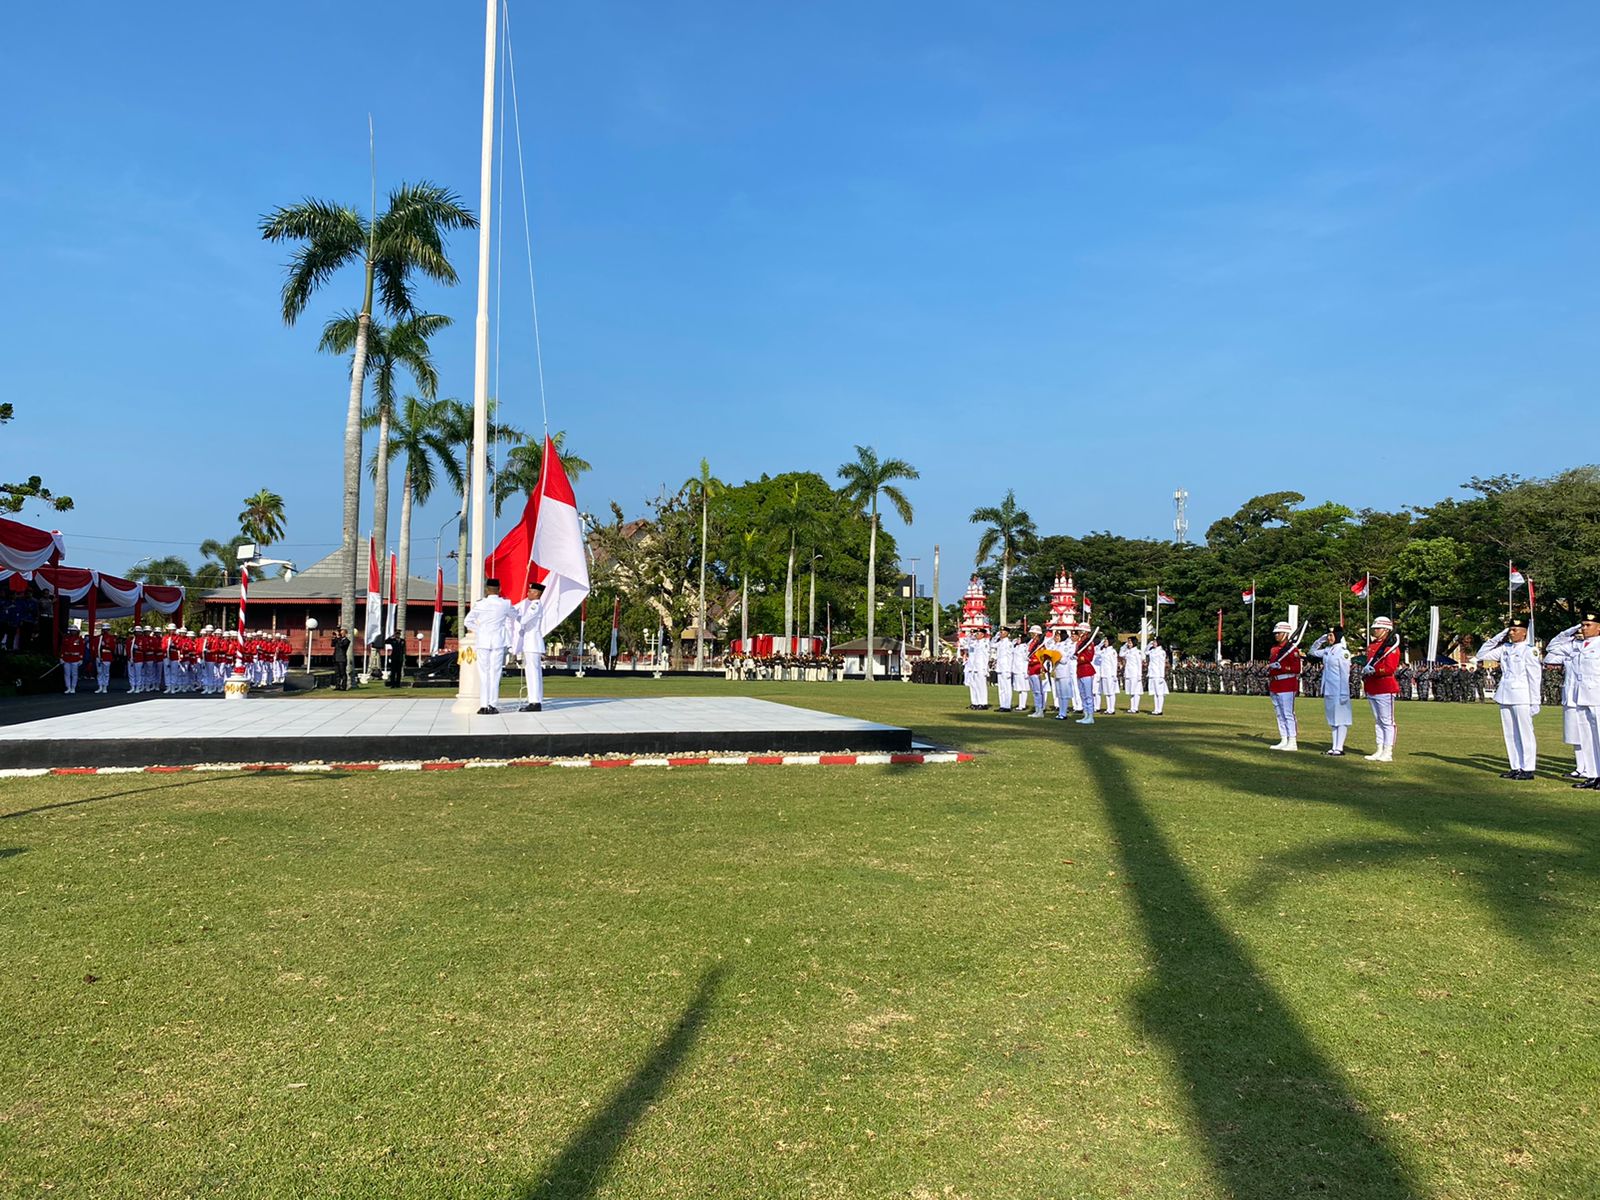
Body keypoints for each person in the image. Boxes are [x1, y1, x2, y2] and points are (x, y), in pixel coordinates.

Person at [1474, 617, 1541, 779]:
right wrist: (1499, 635)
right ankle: (1515, 766)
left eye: (1515, 630)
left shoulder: (1529, 650)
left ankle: (1528, 768)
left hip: (1522, 696)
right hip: (1505, 695)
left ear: (1524, 633)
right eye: (1510, 630)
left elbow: (1535, 677)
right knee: (1510, 733)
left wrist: (1535, 701)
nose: (1511, 633)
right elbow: (1481, 654)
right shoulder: (1505, 648)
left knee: (1525, 733)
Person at [1545, 610, 1600, 788]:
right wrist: (1572, 629)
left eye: (1588, 625)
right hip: (1580, 696)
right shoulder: (1576, 646)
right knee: (1587, 737)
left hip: (1597, 696)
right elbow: (1552, 647)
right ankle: (1592, 775)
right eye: (1583, 625)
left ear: (1599, 628)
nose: (1584, 628)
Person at [464, 577, 516, 714]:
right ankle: (492, 704)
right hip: (498, 640)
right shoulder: (505, 603)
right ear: (499, 589)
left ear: (487, 590)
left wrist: (480, 629)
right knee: (495, 673)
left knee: (484, 673)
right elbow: (515, 616)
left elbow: (467, 621)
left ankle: (483, 705)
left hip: (483, 641)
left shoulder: (480, 604)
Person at [1361, 617, 1402, 762]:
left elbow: (1390, 668)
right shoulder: (1372, 646)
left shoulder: (1391, 647)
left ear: (1386, 630)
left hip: (1385, 686)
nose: (1375, 631)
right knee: (1378, 720)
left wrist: (1373, 671)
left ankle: (1388, 750)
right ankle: (1379, 749)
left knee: (1387, 721)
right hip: (1372, 686)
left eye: (1377, 628)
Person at [1308, 626, 1353, 755]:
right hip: (1329, 689)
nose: (1329, 638)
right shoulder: (1327, 650)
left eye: (1331, 635)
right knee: (1332, 719)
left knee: (1342, 719)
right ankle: (1334, 746)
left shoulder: (1343, 652)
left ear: (1337, 636)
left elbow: (1345, 673)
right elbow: (1312, 652)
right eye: (1328, 635)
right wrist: (1320, 640)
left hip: (1339, 690)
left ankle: (1339, 748)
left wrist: (1345, 692)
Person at [1266, 621, 1301, 751]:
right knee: (1279, 713)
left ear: (1286, 634)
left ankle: (1292, 740)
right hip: (1275, 683)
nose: (1276, 635)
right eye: (1275, 633)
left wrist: (1282, 667)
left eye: (1279, 633)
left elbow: (1297, 668)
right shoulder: (1274, 650)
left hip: (1287, 683)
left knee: (1287, 713)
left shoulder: (1293, 649)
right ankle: (1284, 738)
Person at [515, 581, 549, 712]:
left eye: (530, 591)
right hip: (531, 643)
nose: (528, 593)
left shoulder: (535, 606)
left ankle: (534, 702)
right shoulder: (534, 605)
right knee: (533, 672)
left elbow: (524, 620)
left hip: (533, 643)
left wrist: (514, 614)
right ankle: (535, 700)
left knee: (533, 673)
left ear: (536, 593)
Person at [1073, 623, 1098, 724]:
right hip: (1080, 670)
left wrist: (1078, 658)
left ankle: (1090, 716)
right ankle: (1086, 714)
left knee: (1088, 694)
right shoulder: (1080, 643)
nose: (1078, 632)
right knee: (1082, 694)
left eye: (1080, 631)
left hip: (1087, 670)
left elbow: (1089, 657)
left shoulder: (1089, 643)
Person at [992, 628, 1015, 711]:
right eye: (1000, 632)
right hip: (1000, 668)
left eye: (1003, 632)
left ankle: (1007, 706)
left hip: (1006, 668)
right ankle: (1002, 705)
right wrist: (995, 636)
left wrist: (1009, 669)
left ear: (1007, 633)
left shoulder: (1009, 644)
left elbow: (1010, 657)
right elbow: (992, 645)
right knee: (1001, 688)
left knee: (1007, 688)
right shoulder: (1000, 643)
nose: (1001, 633)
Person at [1121, 638, 1145, 713]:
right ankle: (1132, 707)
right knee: (1131, 691)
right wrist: (1125, 645)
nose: (1129, 644)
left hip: (1135, 673)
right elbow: (1121, 654)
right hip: (1128, 673)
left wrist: (1139, 675)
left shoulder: (1137, 652)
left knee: (1135, 691)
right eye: (1128, 642)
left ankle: (1135, 708)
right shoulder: (1128, 651)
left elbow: (1139, 664)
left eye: (1130, 642)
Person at [1146, 637, 1169, 715]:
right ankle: (1156, 709)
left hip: (1158, 674)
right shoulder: (1152, 651)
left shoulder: (1161, 652)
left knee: (1159, 693)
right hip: (1152, 673)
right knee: (1154, 693)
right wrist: (1149, 644)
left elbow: (1161, 664)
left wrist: (1162, 676)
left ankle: (1160, 710)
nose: (1154, 643)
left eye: (1155, 642)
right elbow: (1146, 652)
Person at [60, 625, 85, 693]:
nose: (73, 632)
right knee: (67, 674)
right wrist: (61, 657)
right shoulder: (66, 638)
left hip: (75, 658)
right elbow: (62, 648)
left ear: (76, 631)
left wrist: (81, 658)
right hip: (66, 658)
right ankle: (68, 687)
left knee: (74, 674)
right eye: (71, 630)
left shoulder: (79, 639)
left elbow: (82, 649)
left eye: (74, 631)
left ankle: (73, 687)